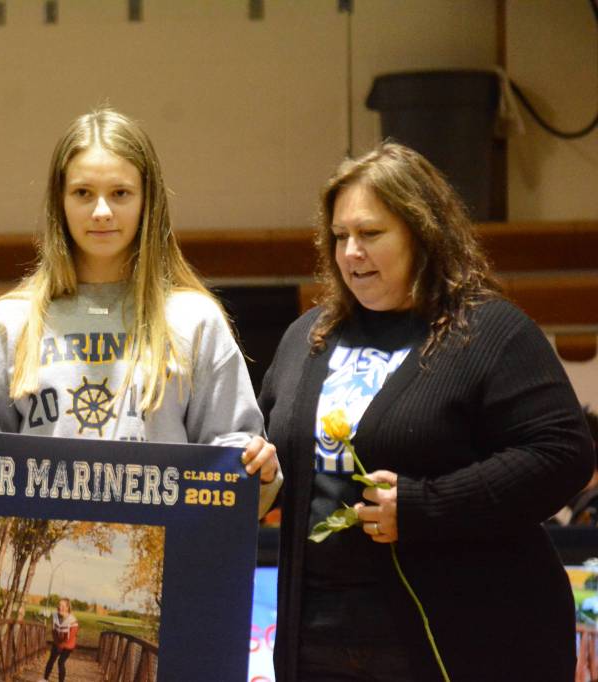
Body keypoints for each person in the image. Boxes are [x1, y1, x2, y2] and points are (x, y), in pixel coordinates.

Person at [251, 142, 595, 681]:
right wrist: (262, 477)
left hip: (456, 640)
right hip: (318, 637)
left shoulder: (489, 332)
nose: (350, 253)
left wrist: (426, 507)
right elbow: (283, 462)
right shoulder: (307, 337)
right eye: (340, 236)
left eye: (370, 234)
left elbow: (562, 455)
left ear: (422, 232)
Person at [0, 108, 280, 515]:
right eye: (82, 193)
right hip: (37, 567)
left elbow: (239, 471)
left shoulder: (194, 320)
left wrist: (259, 471)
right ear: (60, 202)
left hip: (163, 563)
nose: (101, 211)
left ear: (149, 200)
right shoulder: (11, 323)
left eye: (120, 193)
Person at [39, 598, 78, 682]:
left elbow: (70, 638)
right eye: (59, 605)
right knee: (51, 659)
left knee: (60, 662)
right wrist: (56, 643)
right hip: (58, 642)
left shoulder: (73, 621)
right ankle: (45, 679)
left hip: (68, 645)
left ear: (67, 608)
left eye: (63, 606)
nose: (60, 607)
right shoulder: (55, 616)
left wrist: (61, 646)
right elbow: (54, 631)